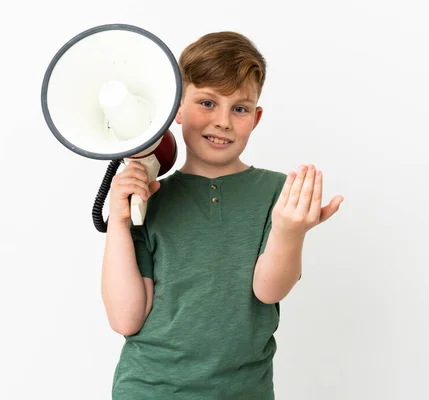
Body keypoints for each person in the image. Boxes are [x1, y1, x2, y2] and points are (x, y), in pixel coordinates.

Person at [101, 30, 344, 399]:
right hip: (149, 390)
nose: (223, 122)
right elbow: (125, 319)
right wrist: (119, 222)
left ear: (256, 117)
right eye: (207, 103)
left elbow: (268, 290)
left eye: (240, 108)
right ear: (176, 108)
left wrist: (289, 232)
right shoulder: (151, 196)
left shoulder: (277, 193)